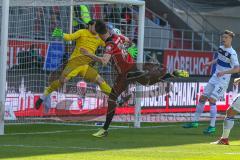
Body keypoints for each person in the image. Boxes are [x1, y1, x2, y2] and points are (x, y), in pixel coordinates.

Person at [80, 20, 189, 137]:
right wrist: (127, 50)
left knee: (112, 99)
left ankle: (104, 129)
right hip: (132, 66)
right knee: (147, 82)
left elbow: (104, 61)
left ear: (100, 34)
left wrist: (88, 54)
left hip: (125, 73)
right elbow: (129, 41)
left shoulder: (109, 45)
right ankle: (171, 74)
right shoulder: (117, 36)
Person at [35, 20, 112, 109]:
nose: (97, 28)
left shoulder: (99, 37)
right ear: (90, 26)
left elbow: (108, 44)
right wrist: (61, 34)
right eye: (95, 26)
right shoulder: (82, 32)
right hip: (74, 63)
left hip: (85, 66)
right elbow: (69, 37)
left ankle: (116, 98)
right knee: (62, 81)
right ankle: (43, 97)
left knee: (100, 80)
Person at [182, 30, 239, 134]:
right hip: (215, 77)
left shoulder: (232, 53)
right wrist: (210, 63)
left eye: (226, 37)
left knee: (212, 100)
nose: (223, 39)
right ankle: (194, 121)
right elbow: (219, 59)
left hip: (223, 80)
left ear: (230, 39)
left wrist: (224, 72)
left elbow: (237, 69)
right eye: (223, 37)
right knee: (202, 98)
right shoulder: (221, 48)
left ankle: (212, 127)